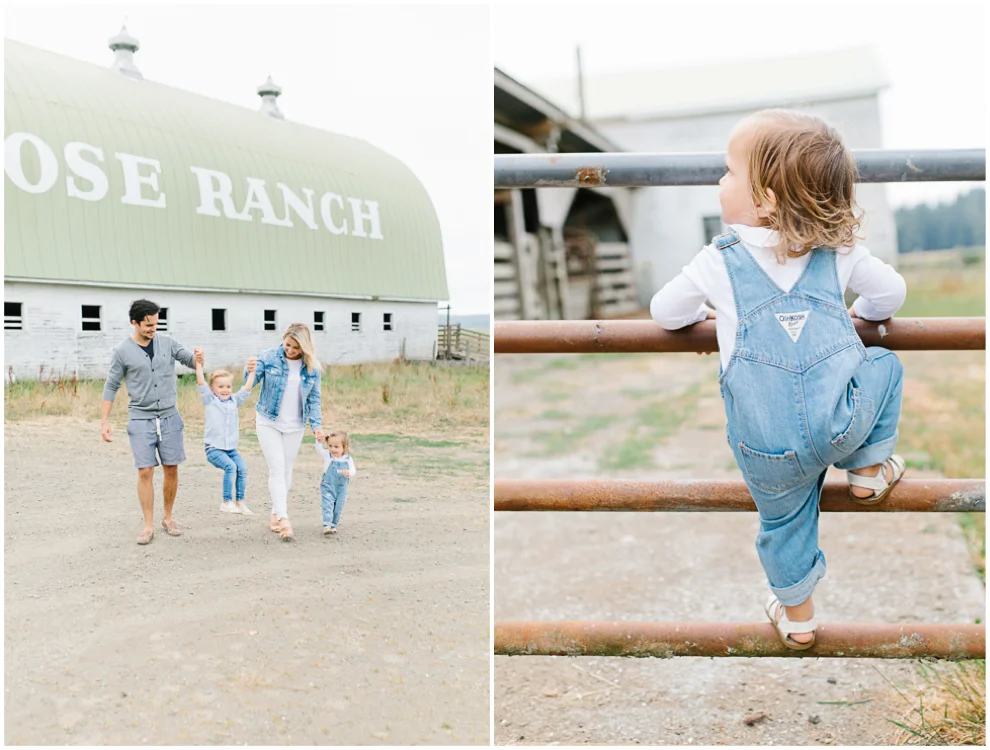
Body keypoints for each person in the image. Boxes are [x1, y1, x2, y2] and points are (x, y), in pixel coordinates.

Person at [650, 109, 907, 650]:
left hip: (765, 447)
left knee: (784, 523)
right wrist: (853, 312)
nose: (719, 182)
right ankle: (867, 470)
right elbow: (890, 296)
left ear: (764, 197)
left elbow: (666, 313)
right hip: (840, 425)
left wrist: (715, 315)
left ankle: (799, 619)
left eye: (727, 173)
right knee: (885, 364)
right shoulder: (839, 254)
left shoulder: (715, 263)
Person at [101, 299, 202, 545]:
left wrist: (198, 356)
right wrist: (104, 420)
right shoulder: (122, 352)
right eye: (147, 324)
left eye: (155, 323)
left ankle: (168, 518)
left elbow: (190, 360)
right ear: (134, 322)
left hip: (169, 416)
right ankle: (148, 525)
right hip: (140, 418)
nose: (152, 328)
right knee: (145, 471)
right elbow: (111, 385)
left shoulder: (167, 343)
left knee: (171, 468)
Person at [248, 323, 324, 541]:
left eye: (296, 348)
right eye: (288, 345)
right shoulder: (269, 357)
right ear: (283, 339)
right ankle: (284, 519)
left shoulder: (312, 368)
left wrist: (317, 426)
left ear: (305, 348)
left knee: (287, 469)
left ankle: (274, 512)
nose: (290, 350)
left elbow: (314, 399)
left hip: (296, 424)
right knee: (277, 467)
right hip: (268, 421)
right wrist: (250, 369)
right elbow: (249, 383)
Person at [195, 352, 257, 515]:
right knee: (231, 467)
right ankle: (226, 501)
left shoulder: (234, 401)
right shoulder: (210, 400)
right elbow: (201, 382)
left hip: (230, 448)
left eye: (228, 386)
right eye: (220, 387)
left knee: (242, 468)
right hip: (213, 448)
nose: (225, 390)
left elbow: (247, 389)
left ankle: (240, 502)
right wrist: (199, 365)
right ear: (212, 389)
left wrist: (252, 372)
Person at [315, 430, 357, 535]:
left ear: (344, 447)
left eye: (336, 447)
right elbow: (318, 450)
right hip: (328, 485)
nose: (332, 449)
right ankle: (327, 525)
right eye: (330, 446)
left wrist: (349, 473)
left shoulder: (347, 459)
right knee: (328, 504)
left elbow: (353, 470)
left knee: (338, 507)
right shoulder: (328, 456)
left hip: (341, 488)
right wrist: (319, 441)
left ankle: (333, 525)